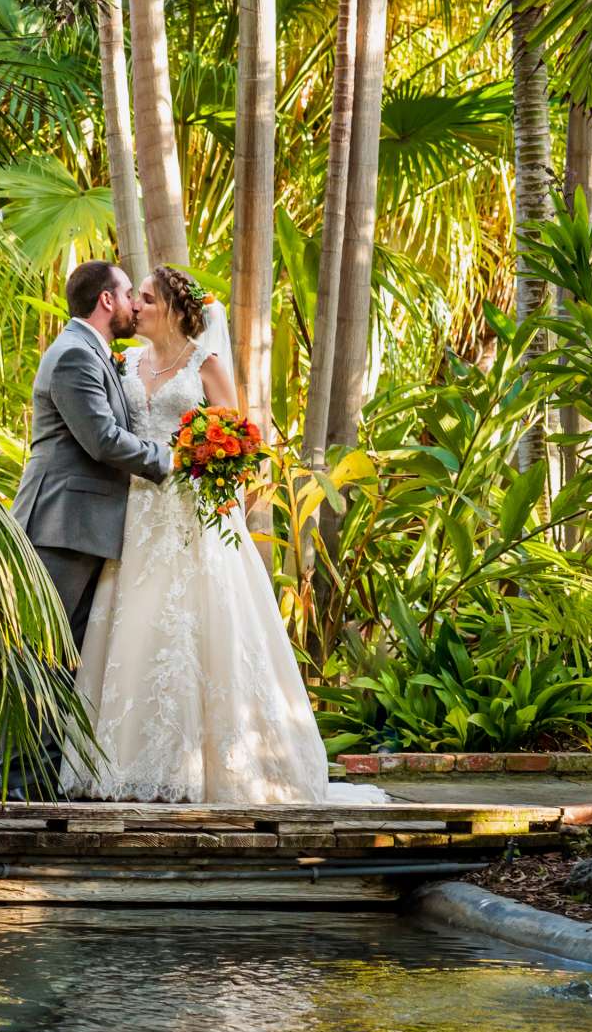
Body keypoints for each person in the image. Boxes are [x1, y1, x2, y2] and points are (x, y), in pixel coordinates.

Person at [60, 264, 376, 804]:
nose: (138, 305)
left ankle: (222, 767)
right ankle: (120, 761)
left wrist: (213, 463)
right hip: (137, 513)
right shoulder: (126, 361)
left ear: (178, 312)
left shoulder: (205, 365)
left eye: (149, 299)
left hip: (193, 512)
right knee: (132, 628)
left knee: (202, 625)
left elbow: (242, 442)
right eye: (135, 297)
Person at [9, 260, 173, 797]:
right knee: (44, 658)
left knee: (65, 657)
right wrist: (167, 459)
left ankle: (39, 782)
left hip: (81, 526)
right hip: (59, 524)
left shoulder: (94, 353)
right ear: (106, 300)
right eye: (129, 294)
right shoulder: (75, 355)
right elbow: (101, 439)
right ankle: (23, 788)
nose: (134, 305)